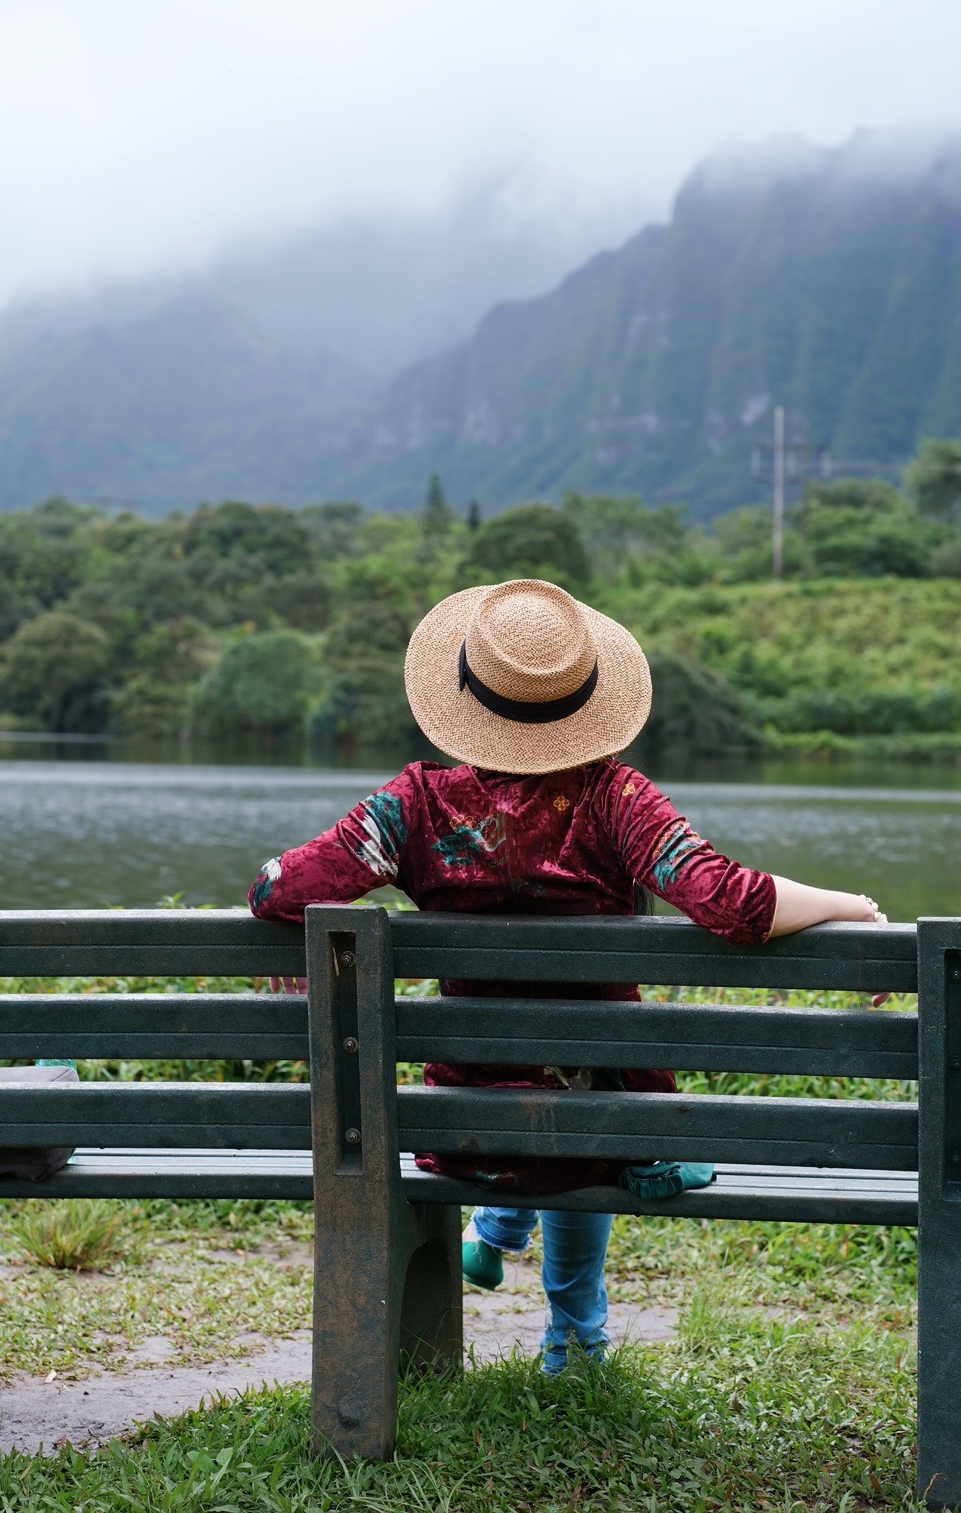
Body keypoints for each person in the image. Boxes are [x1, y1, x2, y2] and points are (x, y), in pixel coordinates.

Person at [249, 578, 886, 1374]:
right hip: (606, 1135)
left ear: (466, 696)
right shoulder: (618, 800)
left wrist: (297, 942)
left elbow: (277, 888)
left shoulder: (412, 806)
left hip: (460, 1133)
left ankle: (509, 1241)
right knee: (590, 1106)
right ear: (586, 700)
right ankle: (576, 1339)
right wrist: (852, 905)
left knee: (544, 1107)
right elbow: (729, 901)